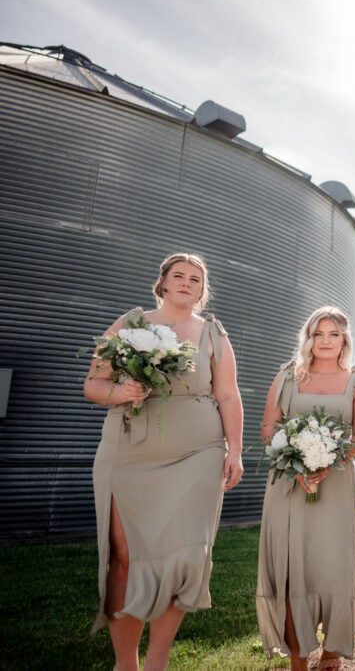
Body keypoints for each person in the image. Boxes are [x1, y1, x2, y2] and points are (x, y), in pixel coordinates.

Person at [85, 253, 244, 671]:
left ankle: (157, 661)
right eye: (179, 276)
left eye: (196, 279)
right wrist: (117, 393)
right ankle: (126, 663)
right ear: (163, 282)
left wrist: (236, 450)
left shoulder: (213, 333)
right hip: (130, 450)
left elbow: (227, 395)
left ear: (202, 290)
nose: (187, 283)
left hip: (198, 452)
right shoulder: (130, 323)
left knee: (186, 554)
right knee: (125, 555)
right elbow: (94, 383)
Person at [255, 306, 355, 670]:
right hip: (288, 484)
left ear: (344, 340)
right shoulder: (287, 376)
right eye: (318, 334)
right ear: (308, 338)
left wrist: (327, 462)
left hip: (335, 485)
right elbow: (269, 429)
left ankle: (333, 649)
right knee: (293, 568)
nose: (325, 341)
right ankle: (298, 656)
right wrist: (298, 464)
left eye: (333, 334)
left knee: (332, 564)